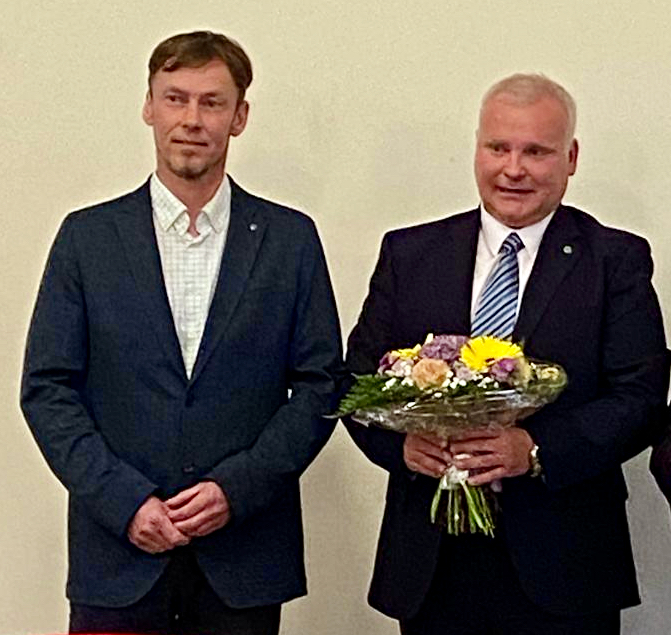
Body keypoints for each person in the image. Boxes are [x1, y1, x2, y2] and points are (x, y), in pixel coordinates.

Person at [21, 30, 342, 635]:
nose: (192, 119)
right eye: (175, 98)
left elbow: (321, 386)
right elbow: (47, 388)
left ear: (239, 117)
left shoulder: (290, 240)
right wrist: (123, 501)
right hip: (118, 559)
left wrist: (237, 489)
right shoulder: (87, 239)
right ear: (149, 106)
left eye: (212, 102)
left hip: (243, 564)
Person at [344, 73, 668, 634]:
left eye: (536, 152)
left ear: (571, 158)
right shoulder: (410, 253)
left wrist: (535, 450)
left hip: (566, 568)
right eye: (498, 148)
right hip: (432, 565)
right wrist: (403, 448)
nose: (513, 169)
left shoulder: (615, 260)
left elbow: (640, 398)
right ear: (477, 149)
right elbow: (354, 383)